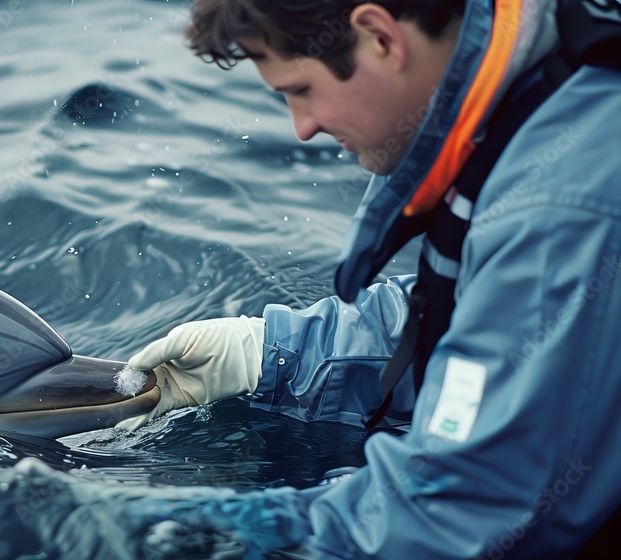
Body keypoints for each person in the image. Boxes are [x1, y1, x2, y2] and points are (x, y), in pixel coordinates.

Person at [116, 0, 621, 557]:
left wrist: (176, 533)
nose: (303, 128)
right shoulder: (552, 105)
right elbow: (496, 318)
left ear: (380, 37)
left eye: (302, 90)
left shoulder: (563, 206)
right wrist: (272, 353)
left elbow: (468, 512)